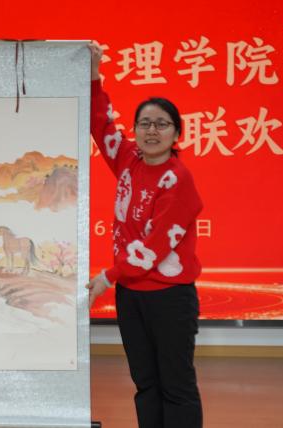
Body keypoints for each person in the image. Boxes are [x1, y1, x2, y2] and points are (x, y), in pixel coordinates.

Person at [86, 42, 204, 428]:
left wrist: (107, 277)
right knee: (145, 383)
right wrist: (94, 75)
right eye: (144, 124)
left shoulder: (178, 179)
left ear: (176, 133)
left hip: (169, 297)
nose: (152, 131)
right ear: (135, 130)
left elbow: (153, 249)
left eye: (162, 124)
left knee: (176, 385)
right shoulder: (128, 160)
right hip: (131, 294)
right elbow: (101, 124)